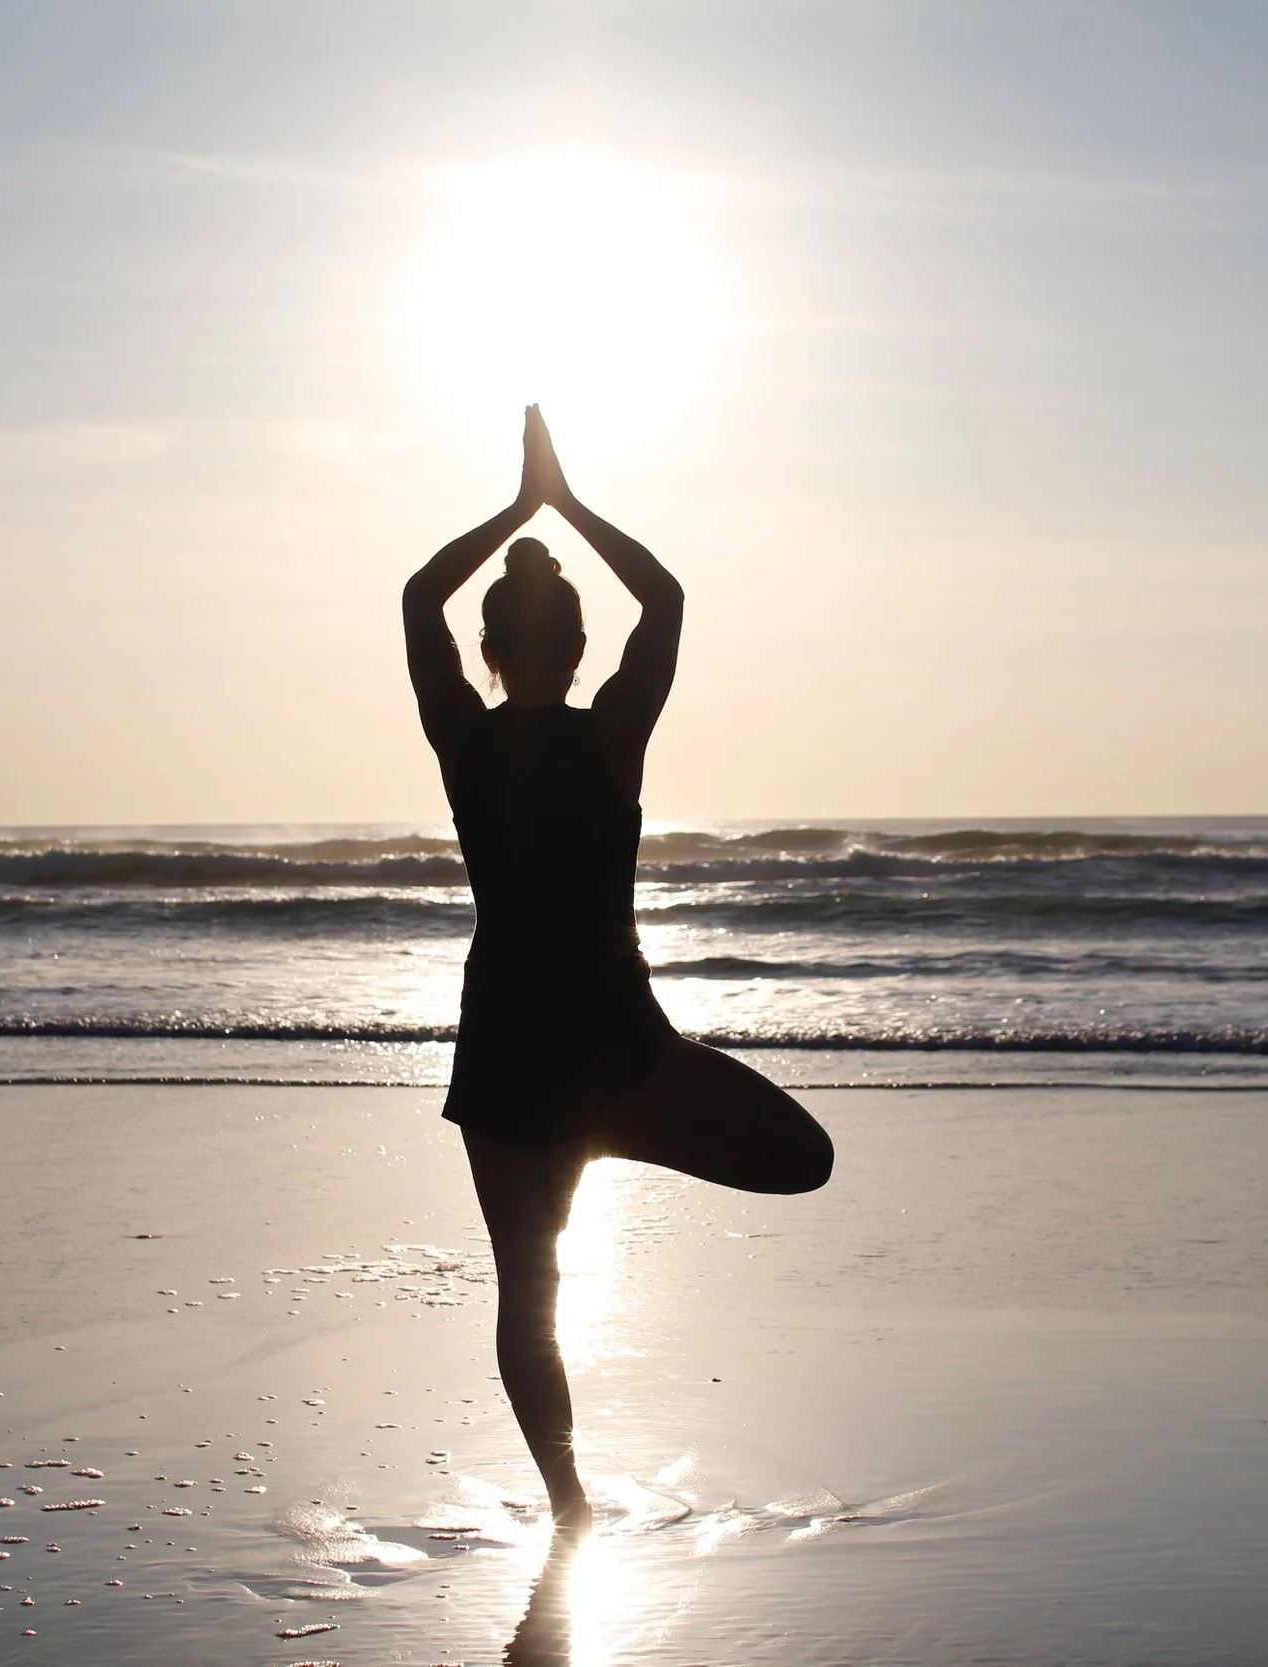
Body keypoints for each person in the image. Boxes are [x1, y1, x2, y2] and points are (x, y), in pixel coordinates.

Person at [402, 406, 834, 1531]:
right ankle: (616, 1134)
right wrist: (565, 504)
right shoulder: (610, 734)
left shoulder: (462, 735)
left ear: (490, 655)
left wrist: (515, 507)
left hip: (507, 1040)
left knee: (526, 1293)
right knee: (805, 1158)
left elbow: (415, 600)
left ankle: (569, 1501)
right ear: (580, 651)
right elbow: (669, 599)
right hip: (613, 1043)